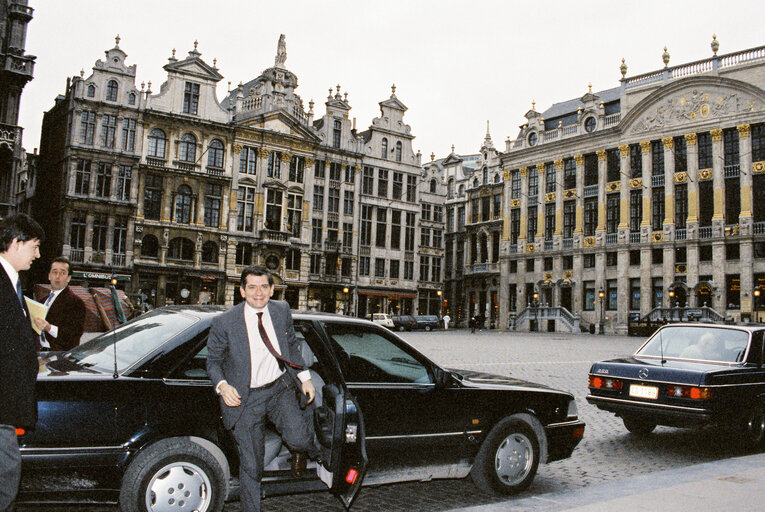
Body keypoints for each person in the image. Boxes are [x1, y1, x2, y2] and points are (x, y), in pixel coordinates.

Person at [206, 266, 319, 512]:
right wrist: (223, 386)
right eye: (252, 287)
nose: (259, 293)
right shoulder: (225, 322)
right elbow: (213, 361)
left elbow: (290, 345)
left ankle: (298, 451)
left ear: (272, 290)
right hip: (246, 400)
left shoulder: (281, 310)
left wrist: (305, 377)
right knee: (252, 466)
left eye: (264, 287)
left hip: (279, 390)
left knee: (300, 439)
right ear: (242, 291)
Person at [0, 213, 43, 511]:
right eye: (34, 246)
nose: (38, 255)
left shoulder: (13, 284)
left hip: (7, 406)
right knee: (6, 477)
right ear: (16, 243)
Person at [34, 257, 86, 352]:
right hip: (38, 352)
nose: (57, 276)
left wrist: (49, 328)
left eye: (62, 273)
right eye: (54, 272)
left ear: (68, 278)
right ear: (49, 276)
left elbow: (74, 337)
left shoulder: (76, 302)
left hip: (57, 356)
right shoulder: (42, 301)